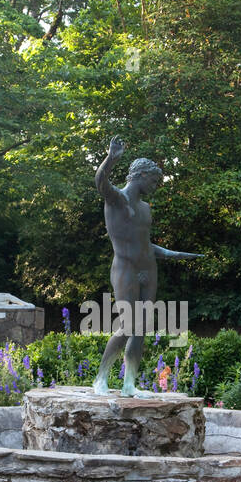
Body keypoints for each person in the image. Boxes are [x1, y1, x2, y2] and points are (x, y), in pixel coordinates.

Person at [92, 137, 200, 396]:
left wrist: (173, 254)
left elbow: (145, 245)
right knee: (128, 324)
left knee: (141, 329)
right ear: (140, 175)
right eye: (153, 181)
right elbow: (100, 182)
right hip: (125, 269)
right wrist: (111, 158)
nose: (155, 186)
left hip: (149, 270)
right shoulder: (118, 200)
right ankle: (101, 378)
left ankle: (129, 384)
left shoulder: (145, 208)